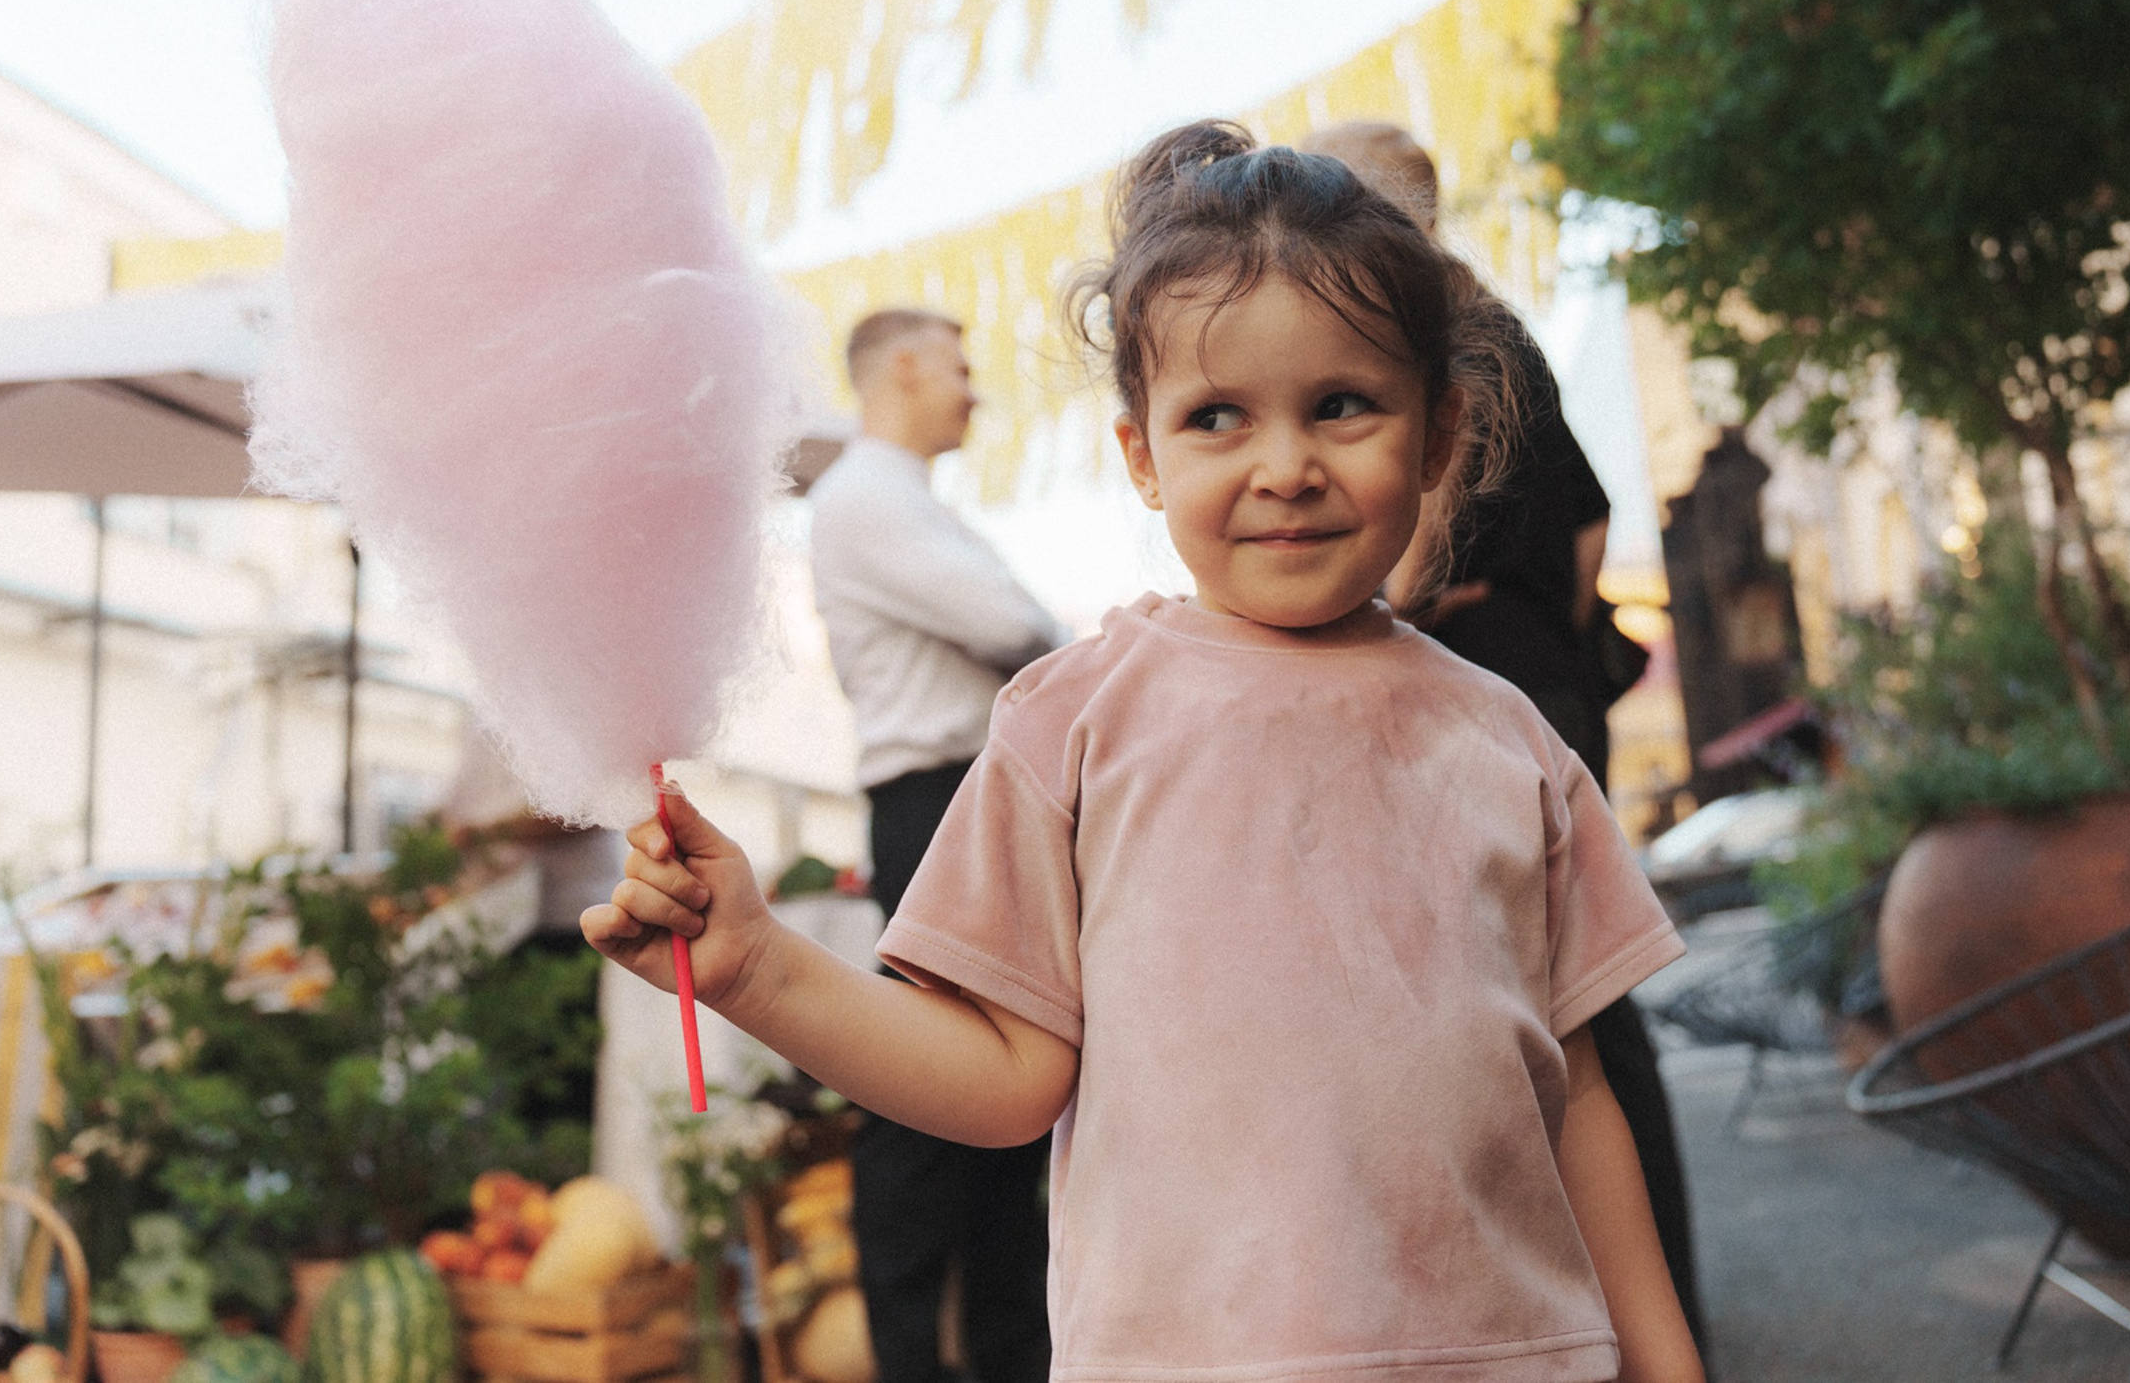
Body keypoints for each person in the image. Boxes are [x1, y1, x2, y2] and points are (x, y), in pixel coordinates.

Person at [589, 123, 1704, 1383]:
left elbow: (1582, 1089)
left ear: (1440, 434)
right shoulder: (1069, 726)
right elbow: (1008, 1079)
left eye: (1342, 405)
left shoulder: (1509, 738)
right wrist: (755, 968)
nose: (1285, 467)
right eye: (1218, 416)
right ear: (1143, 457)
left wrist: (1666, 1361)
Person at [1299, 122, 1704, 1351]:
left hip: (1495, 670)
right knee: (1565, 1003)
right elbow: (1587, 523)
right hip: (1532, 666)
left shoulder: (1448, 335)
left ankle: (1643, 1312)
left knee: (1566, 1008)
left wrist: (1492, 632)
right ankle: (1638, 1313)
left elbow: (1561, 525)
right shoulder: (1470, 326)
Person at [805, 307, 1066, 1383]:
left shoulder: (891, 497)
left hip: (962, 799)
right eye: (959, 368)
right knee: (919, 1104)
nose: (973, 389)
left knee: (1006, 1089)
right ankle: (916, 1363)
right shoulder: (864, 494)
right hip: (935, 804)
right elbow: (1013, 626)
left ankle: (1008, 1359)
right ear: (902, 369)